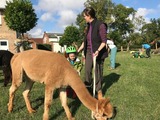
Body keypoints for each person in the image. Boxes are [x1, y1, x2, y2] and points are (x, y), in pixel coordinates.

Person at [77, 7, 108, 97]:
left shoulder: (100, 25)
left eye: (84, 16)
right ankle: (88, 87)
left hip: (98, 51)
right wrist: (78, 50)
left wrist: (98, 50)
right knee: (87, 70)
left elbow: (104, 41)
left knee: (97, 72)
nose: (84, 18)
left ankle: (98, 91)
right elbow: (85, 41)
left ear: (89, 15)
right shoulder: (88, 26)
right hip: (89, 51)